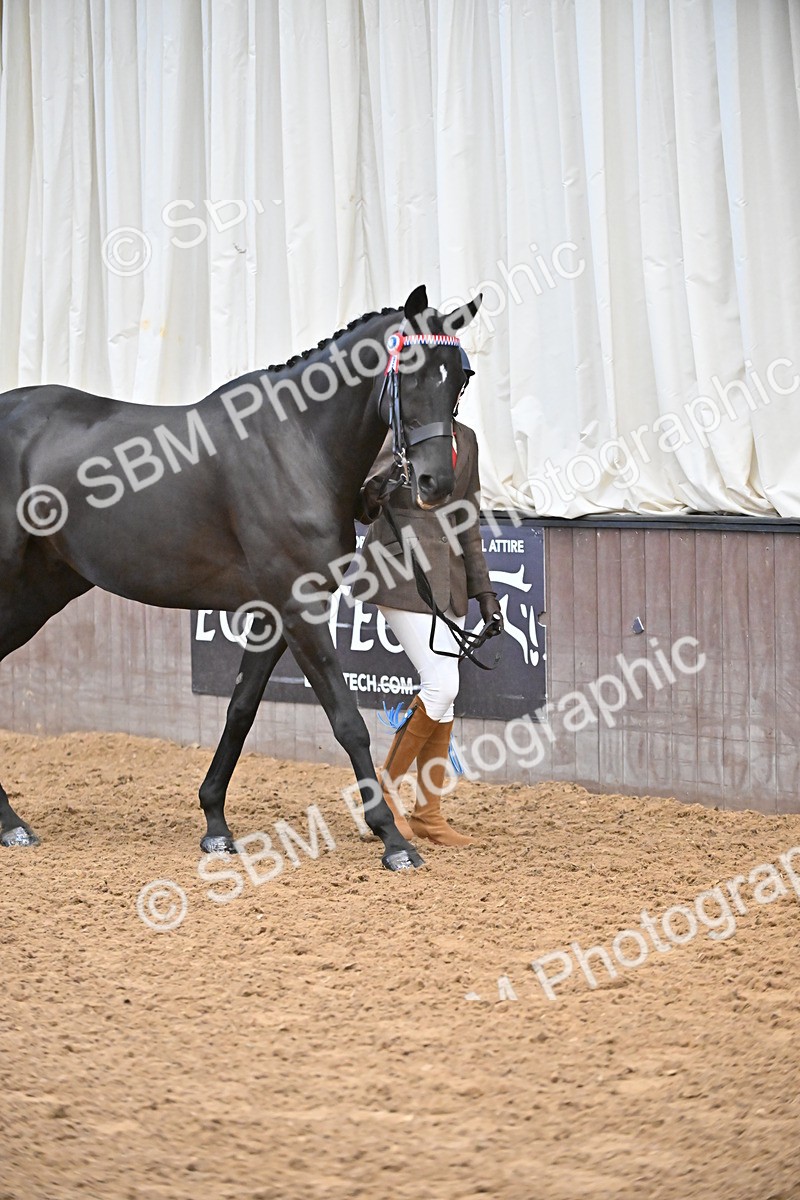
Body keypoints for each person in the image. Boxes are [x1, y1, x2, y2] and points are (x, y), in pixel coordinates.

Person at [354, 349, 503, 846]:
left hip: (447, 582)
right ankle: (384, 799)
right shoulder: (397, 435)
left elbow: (467, 520)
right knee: (440, 684)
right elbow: (362, 504)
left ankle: (429, 815)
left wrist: (484, 591)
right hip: (397, 572)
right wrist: (379, 487)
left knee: (447, 688)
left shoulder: (468, 441)